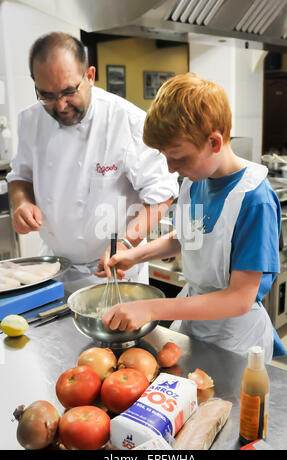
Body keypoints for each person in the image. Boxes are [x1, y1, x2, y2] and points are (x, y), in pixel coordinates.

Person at [100, 73, 281, 363]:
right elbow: (186, 236)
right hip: (195, 324)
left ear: (214, 142)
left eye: (178, 157)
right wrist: (134, 255)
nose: (171, 169)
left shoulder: (254, 200)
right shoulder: (196, 181)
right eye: (165, 158)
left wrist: (152, 308)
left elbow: (239, 298)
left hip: (235, 340)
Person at [6, 32, 179, 293]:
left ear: (89, 75)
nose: (61, 106)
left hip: (115, 272)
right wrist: (22, 203)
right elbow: (21, 175)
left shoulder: (127, 121)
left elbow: (161, 195)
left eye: (68, 91)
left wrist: (127, 244)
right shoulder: (30, 121)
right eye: (47, 96)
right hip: (53, 269)